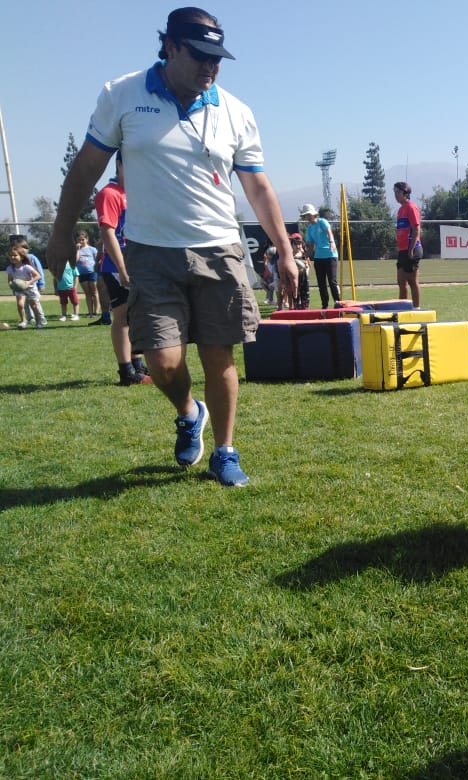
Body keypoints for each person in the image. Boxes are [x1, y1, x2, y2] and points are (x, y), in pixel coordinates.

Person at [47, 6, 297, 487]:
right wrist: (60, 230)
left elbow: (259, 189)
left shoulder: (236, 111)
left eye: (218, 59)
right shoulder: (121, 95)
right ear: (170, 47)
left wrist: (284, 250)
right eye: (200, 56)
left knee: (219, 357)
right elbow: (84, 170)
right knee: (162, 363)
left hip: (220, 247)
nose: (210, 67)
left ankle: (225, 451)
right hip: (150, 251)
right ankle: (188, 411)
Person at [95, 151, 152, 385]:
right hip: (117, 266)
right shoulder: (109, 194)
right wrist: (122, 266)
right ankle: (126, 371)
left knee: (136, 315)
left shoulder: (137, 194)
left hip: (138, 263)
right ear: (119, 165)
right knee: (123, 316)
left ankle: (137, 364)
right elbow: (108, 232)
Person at [301, 204, 339, 309]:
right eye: (306, 215)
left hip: (330, 254)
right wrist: (306, 256)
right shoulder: (309, 228)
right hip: (318, 257)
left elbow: (329, 233)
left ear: (314, 214)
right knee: (321, 283)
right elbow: (311, 245)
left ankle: (338, 303)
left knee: (332, 281)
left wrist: (331, 242)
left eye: (309, 215)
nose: (307, 217)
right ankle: (325, 305)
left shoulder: (322, 221)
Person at [393, 182, 422, 307]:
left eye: (398, 192)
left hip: (412, 249)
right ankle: (403, 310)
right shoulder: (400, 210)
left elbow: (416, 229)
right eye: (395, 192)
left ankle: (416, 309)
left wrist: (411, 249)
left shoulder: (411, 207)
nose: (396, 195)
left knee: (412, 281)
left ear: (406, 194)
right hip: (403, 250)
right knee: (401, 281)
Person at [7, 241, 46, 329]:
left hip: (30, 288)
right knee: (20, 305)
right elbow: (10, 280)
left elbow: (38, 276)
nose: (12, 257)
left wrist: (28, 282)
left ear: (21, 257)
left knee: (34, 305)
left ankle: (39, 321)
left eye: (15, 255)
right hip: (20, 289)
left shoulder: (27, 267)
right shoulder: (10, 268)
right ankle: (23, 321)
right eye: (11, 255)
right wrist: (12, 285)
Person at [75, 232, 101, 317]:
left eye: (83, 239)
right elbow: (75, 260)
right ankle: (90, 312)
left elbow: (97, 259)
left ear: (87, 239)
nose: (81, 241)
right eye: (79, 239)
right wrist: (77, 250)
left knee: (94, 292)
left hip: (92, 272)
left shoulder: (92, 249)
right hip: (82, 273)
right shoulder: (76, 250)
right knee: (87, 293)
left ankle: (96, 312)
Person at [290, 232, 310, 309]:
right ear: (292, 245)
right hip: (294, 277)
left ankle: (305, 307)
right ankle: (296, 307)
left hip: (304, 277)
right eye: (296, 244)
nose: (298, 246)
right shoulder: (290, 255)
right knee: (295, 293)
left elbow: (308, 265)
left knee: (304, 293)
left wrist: (307, 269)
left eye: (300, 244)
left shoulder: (303, 254)